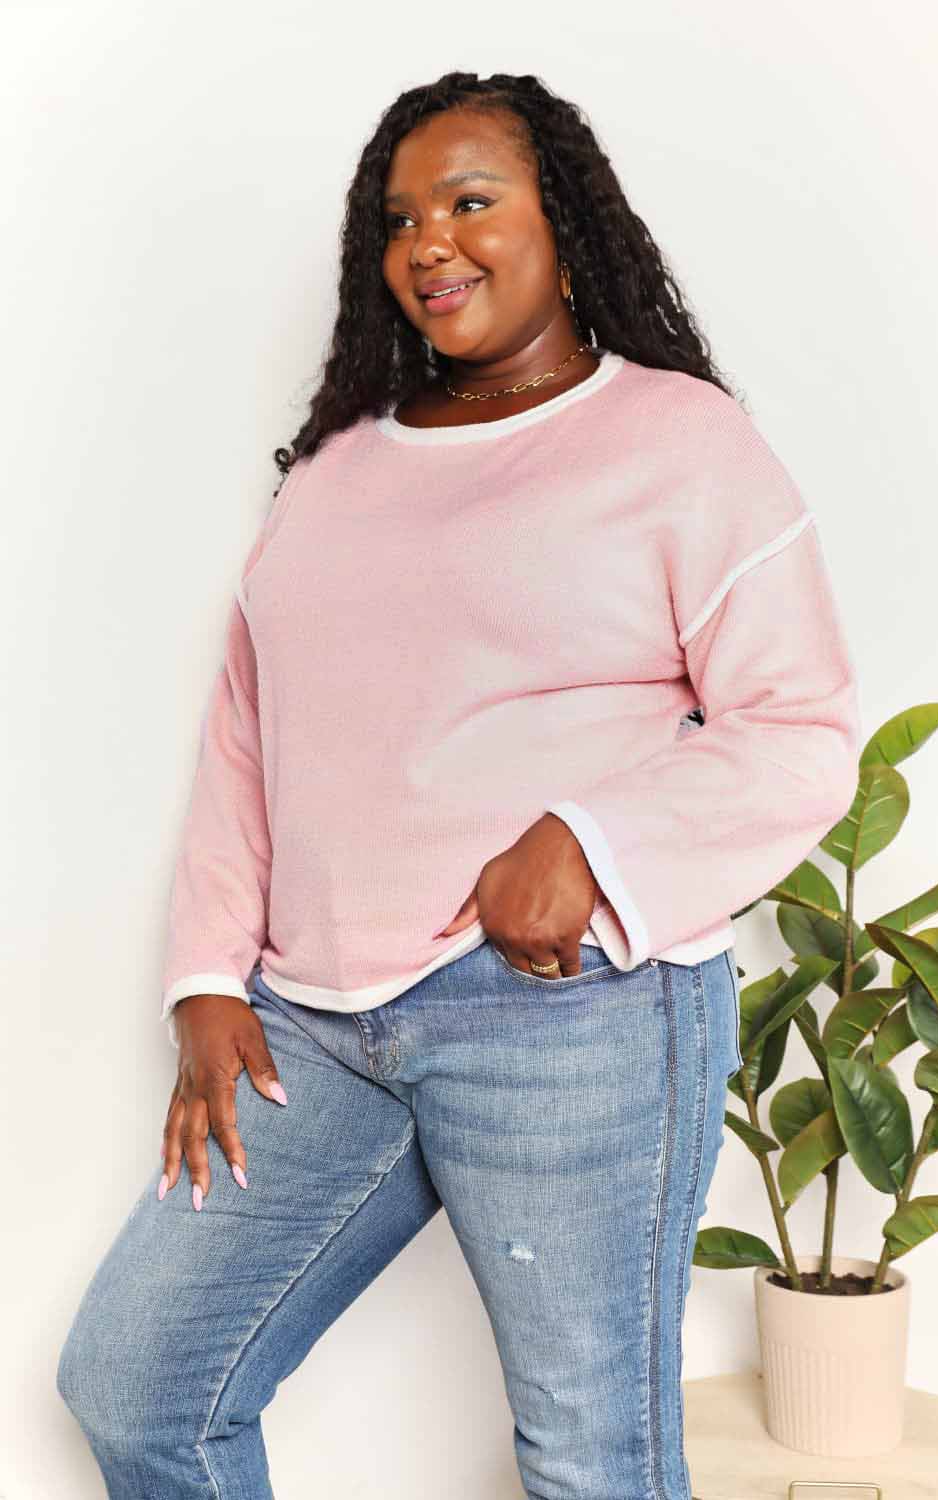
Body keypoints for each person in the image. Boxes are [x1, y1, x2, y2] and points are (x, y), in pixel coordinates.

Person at [56, 70, 861, 1499]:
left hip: (577, 1016)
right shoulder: (335, 474)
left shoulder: (680, 443)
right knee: (138, 1385)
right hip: (314, 1021)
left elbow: (799, 729)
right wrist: (204, 978)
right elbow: (252, 732)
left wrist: (591, 841)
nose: (432, 241)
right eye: (401, 218)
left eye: (473, 201)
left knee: (590, 1461)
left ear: (563, 222)